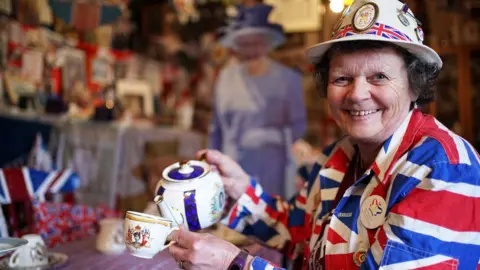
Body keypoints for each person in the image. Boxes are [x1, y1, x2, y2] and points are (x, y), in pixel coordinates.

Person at [169, 0, 480, 269]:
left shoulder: (443, 169)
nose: (357, 94)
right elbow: (302, 235)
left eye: (379, 77)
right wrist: (239, 190)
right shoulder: (339, 156)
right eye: (342, 77)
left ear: (414, 85)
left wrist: (233, 264)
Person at [209, 3, 307, 197]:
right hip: (232, 164)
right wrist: (212, 165)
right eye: (245, 43)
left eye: (257, 43)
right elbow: (216, 129)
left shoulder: (288, 79)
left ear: (267, 42)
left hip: (271, 166)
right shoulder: (225, 78)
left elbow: (298, 125)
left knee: (267, 218)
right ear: (237, 45)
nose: (251, 50)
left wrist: (269, 138)